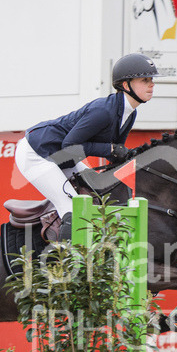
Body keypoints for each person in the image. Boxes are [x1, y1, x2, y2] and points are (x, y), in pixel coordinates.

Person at [14, 52, 159, 241]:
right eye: (145, 79)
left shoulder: (129, 114)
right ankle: (66, 264)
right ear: (126, 85)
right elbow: (70, 145)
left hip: (63, 157)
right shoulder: (103, 111)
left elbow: (114, 153)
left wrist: (130, 159)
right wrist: (110, 150)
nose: (152, 84)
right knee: (71, 207)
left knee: (99, 193)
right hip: (38, 153)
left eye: (152, 80)